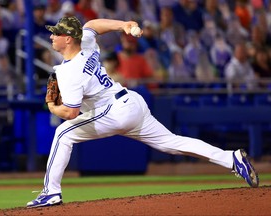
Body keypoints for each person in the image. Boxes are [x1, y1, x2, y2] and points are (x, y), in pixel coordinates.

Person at [26, 16, 259, 208]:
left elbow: (71, 113)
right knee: (172, 143)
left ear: (68, 39)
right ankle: (231, 158)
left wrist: (52, 106)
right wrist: (123, 25)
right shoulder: (84, 43)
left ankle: (51, 192)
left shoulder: (69, 73)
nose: (51, 37)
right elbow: (91, 26)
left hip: (114, 111)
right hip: (131, 102)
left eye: (55, 33)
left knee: (64, 133)